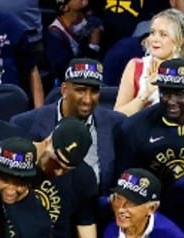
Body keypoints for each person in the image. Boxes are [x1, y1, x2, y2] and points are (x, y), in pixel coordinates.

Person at [11, 59, 125, 192]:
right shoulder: (25, 124)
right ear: (64, 90)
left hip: (96, 207)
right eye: (81, 91)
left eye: (94, 91)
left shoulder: (116, 124)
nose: (88, 99)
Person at [114, 9, 184, 115]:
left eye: (163, 35)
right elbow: (118, 117)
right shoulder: (135, 66)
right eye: (152, 32)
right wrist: (144, 96)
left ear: (180, 40)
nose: (155, 39)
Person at [43, 0, 102, 81]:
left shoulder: (94, 23)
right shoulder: (54, 35)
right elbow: (66, 71)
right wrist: (93, 47)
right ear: (64, 7)